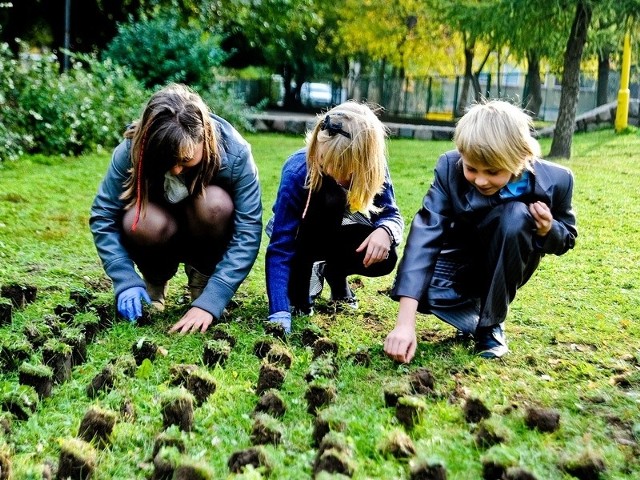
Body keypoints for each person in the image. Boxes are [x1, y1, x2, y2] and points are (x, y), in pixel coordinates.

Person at [384, 99, 577, 362]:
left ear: (521, 158)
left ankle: (489, 326)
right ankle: (474, 315)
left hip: (506, 262)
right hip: (459, 263)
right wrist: (405, 324)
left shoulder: (558, 182)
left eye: (493, 171)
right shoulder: (448, 168)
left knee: (516, 216)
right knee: (422, 292)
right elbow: (425, 235)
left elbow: (566, 237)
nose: (481, 180)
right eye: (471, 168)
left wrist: (547, 228)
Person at [90, 83, 262, 334]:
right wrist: (124, 278)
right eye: (165, 160)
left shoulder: (236, 154)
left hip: (205, 227)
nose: (175, 170)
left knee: (215, 204)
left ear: (205, 137)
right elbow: (103, 215)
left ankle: (202, 281)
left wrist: (214, 299)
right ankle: (155, 281)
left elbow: (248, 231)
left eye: (185, 159)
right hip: (159, 228)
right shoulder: (133, 149)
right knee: (139, 218)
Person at [265, 101, 404, 333]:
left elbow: (392, 214)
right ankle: (301, 290)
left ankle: (335, 276)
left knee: (387, 256)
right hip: (303, 238)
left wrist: (386, 231)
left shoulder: (373, 168)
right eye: (329, 163)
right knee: (297, 301)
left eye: (346, 169)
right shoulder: (297, 173)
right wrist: (279, 311)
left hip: (343, 231)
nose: (337, 174)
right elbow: (280, 247)